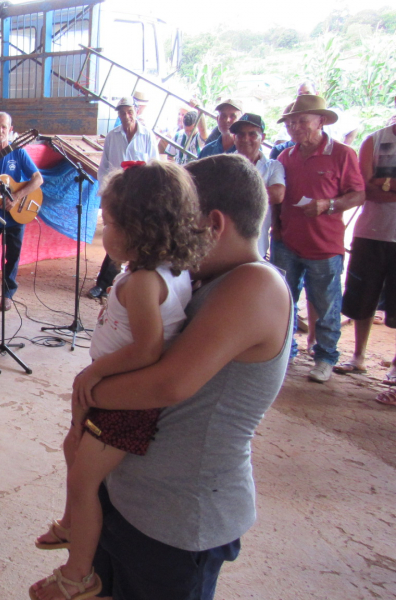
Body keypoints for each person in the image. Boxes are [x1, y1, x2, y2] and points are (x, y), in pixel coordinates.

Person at [50, 153, 291, 600]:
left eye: (178, 221)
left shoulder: (255, 285)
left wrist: (89, 389)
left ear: (213, 224)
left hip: (178, 519)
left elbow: (167, 384)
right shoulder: (196, 278)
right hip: (137, 501)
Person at [29, 160, 208, 600]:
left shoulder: (145, 282)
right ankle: (73, 524)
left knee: (84, 480)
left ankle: (77, 576)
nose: (101, 230)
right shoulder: (165, 270)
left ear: (138, 228)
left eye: (107, 222)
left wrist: (96, 370)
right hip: (112, 391)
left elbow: (148, 349)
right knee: (73, 446)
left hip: (127, 400)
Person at [273, 94, 365, 382]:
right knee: (284, 301)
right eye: (291, 122)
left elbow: (359, 193)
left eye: (302, 121)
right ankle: (286, 352)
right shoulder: (285, 156)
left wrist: (328, 205)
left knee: (326, 304)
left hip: (325, 245)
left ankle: (325, 357)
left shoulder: (342, 154)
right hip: (287, 241)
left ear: (321, 121)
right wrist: (277, 230)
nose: (295, 127)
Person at [336, 98, 396, 389]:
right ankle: (358, 356)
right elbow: (364, 189)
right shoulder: (375, 140)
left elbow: (376, 186)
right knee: (363, 296)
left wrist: (384, 185)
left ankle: (395, 365)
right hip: (370, 232)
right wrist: (379, 187)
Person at [88, 96, 157, 300]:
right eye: (122, 112)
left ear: (136, 111)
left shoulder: (147, 135)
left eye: (129, 111)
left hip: (140, 196)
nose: (126, 116)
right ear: (118, 114)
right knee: (118, 236)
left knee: (138, 237)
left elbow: (154, 166)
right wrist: (106, 193)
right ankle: (104, 284)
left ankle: (130, 283)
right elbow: (104, 168)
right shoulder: (113, 136)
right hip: (118, 195)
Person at [0, 112, 43, 311]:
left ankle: (7, 294)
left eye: (4, 127)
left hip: (15, 216)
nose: (0, 131)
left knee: (12, 257)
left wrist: (17, 197)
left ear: (10, 129)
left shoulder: (18, 152)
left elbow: (38, 179)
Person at [230, 114, 285, 259]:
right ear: (234, 138)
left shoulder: (273, 166)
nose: (246, 139)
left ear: (263, 137)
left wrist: (234, 194)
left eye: (252, 134)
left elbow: (278, 195)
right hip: (224, 245)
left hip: (256, 247)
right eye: (240, 134)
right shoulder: (223, 164)